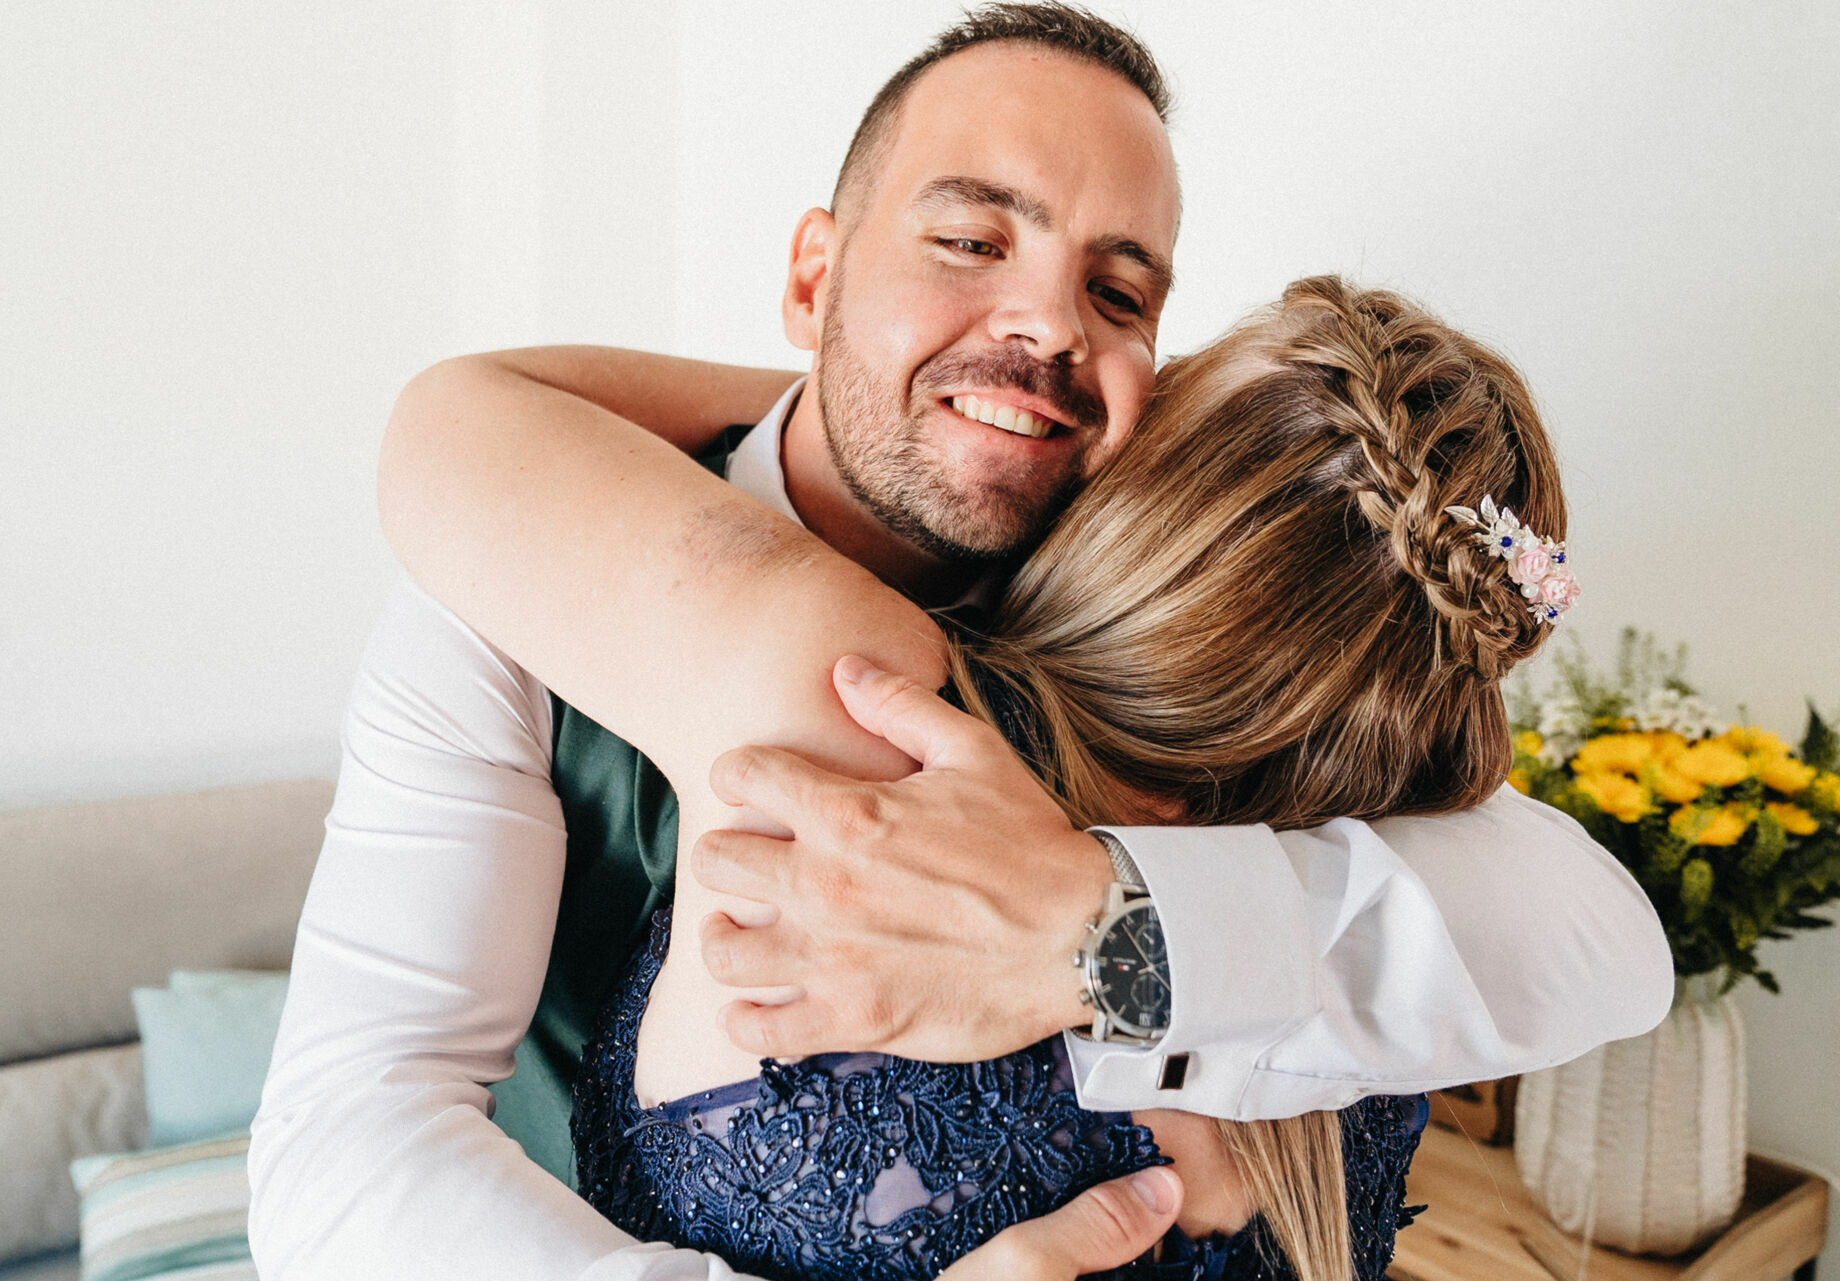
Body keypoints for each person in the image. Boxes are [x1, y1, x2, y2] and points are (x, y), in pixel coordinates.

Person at [249, 7, 1671, 1279]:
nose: (1047, 323)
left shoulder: (1173, 632)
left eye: (1119, 294)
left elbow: (1590, 931)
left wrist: (1109, 926)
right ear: (814, 280)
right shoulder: (499, 578)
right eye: (971, 242)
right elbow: (345, 1154)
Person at [379, 274, 1579, 1281]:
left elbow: (465, 414)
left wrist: (924, 404)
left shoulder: (858, 706)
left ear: (1149, 476)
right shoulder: (1413, 912)